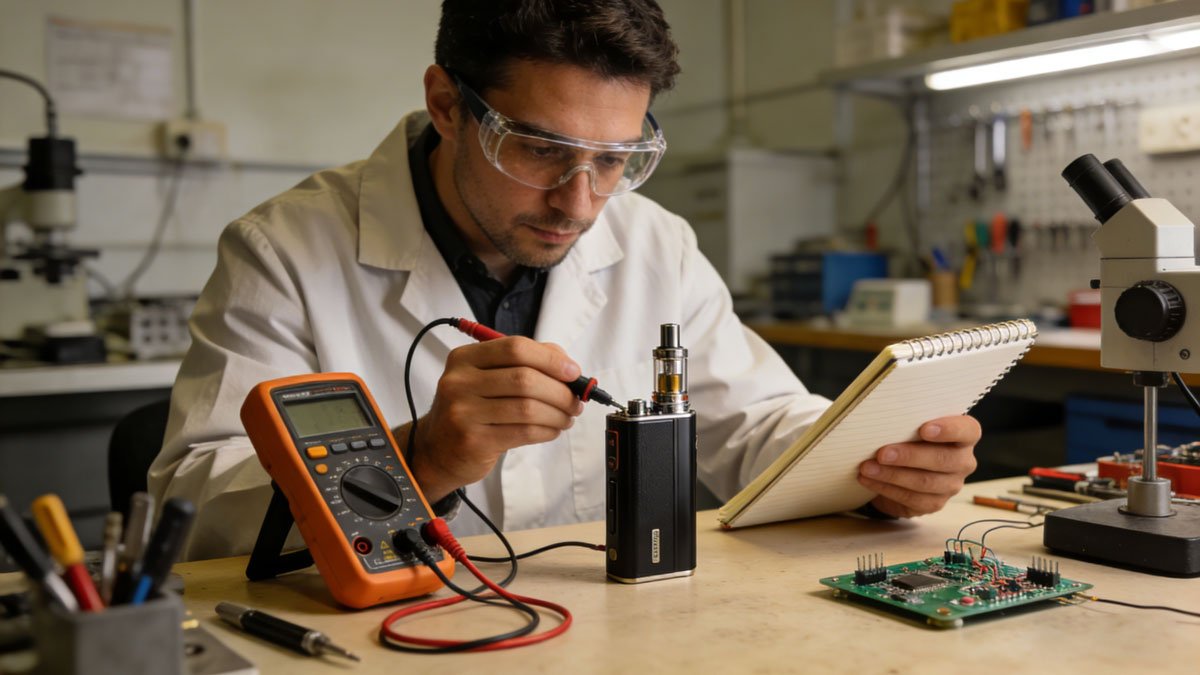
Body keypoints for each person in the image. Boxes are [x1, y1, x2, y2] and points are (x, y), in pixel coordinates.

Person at [150, 0, 981, 561]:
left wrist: (880, 470)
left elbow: (757, 424)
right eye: (541, 149)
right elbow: (191, 514)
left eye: (617, 158)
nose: (581, 201)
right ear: (447, 104)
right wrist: (421, 456)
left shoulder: (656, 241)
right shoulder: (284, 249)